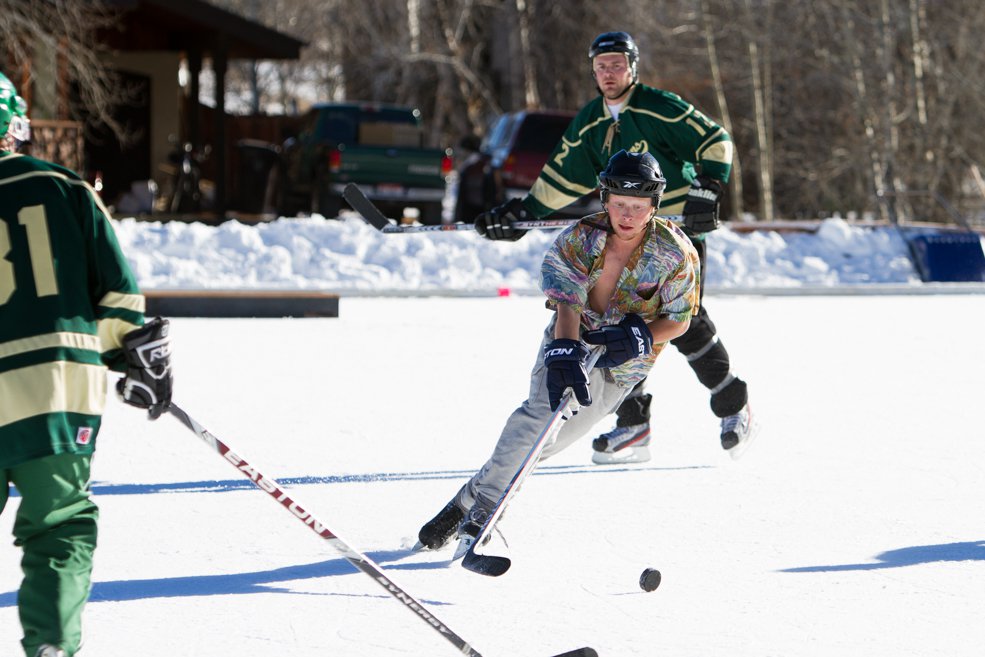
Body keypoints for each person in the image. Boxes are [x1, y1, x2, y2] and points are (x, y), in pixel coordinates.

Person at [474, 31, 756, 465]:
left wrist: (709, 188)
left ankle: (733, 404)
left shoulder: (659, 106)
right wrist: (521, 213)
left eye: (617, 64)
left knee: (684, 320)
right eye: (601, 66)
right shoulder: (590, 120)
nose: (609, 73)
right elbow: (560, 175)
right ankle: (633, 424)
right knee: (612, 321)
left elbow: (716, 141)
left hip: (673, 233)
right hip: (619, 236)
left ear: (633, 67)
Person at [418, 149, 700, 551]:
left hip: (621, 366)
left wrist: (640, 335)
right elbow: (567, 298)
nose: (628, 215)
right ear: (605, 198)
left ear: (654, 204)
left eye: (638, 207)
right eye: (619, 204)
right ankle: (485, 510)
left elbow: (681, 318)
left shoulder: (676, 252)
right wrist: (566, 347)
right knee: (538, 418)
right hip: (573, 336)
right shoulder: (579, 238)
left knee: (547, 442)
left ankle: (466, 498)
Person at [0, 71, 174, 657]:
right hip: (54, 390)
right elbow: (118, 301)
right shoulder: (64, 186)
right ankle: (50, 645)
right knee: (60, 527)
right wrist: (133, 358)